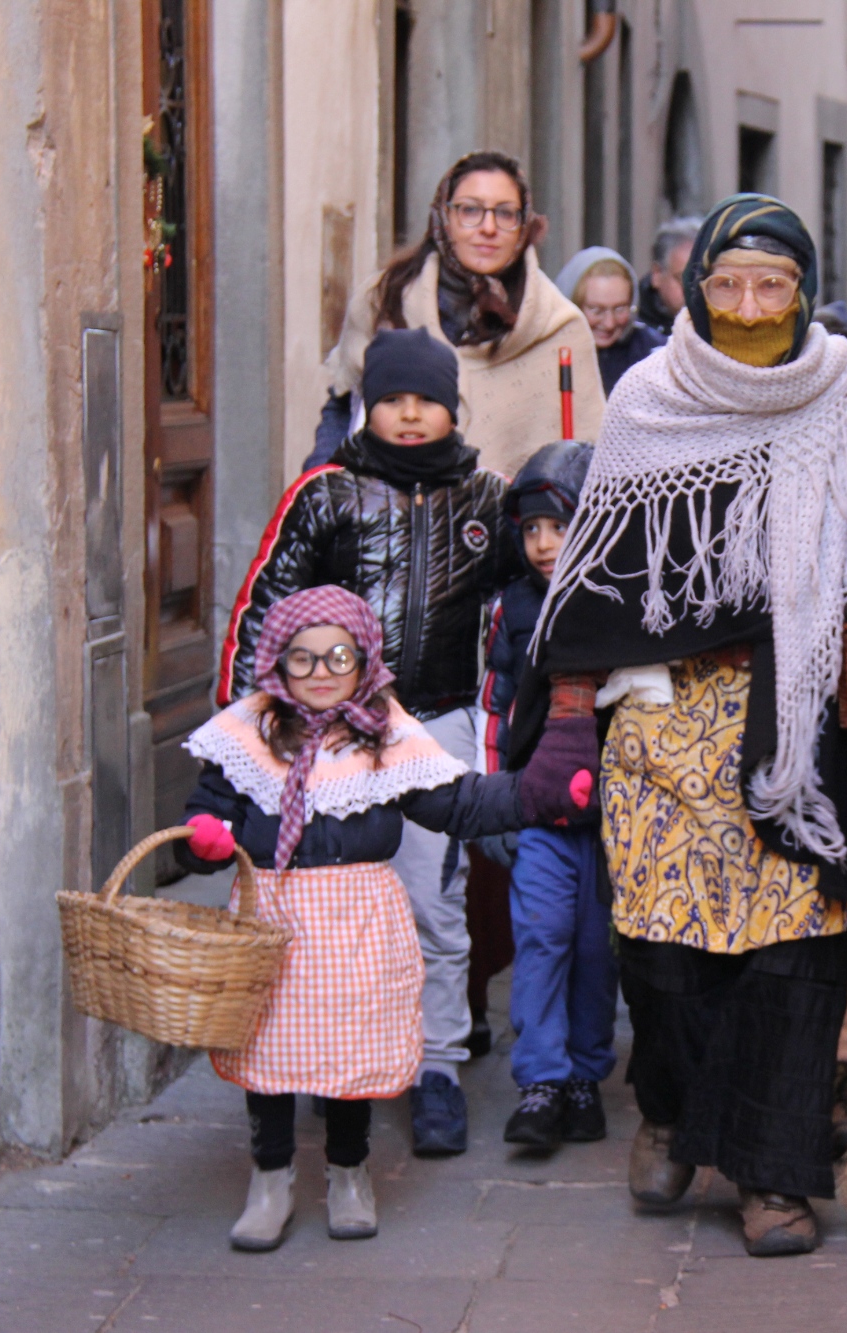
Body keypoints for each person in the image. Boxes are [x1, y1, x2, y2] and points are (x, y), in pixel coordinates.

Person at [527, 194, 847, 1257]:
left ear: (804, 289)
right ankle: (669, 1111)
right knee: (663, 955)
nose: (751, 304)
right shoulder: (648, 398)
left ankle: (771, 1176)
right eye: (729, 284)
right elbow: (601, 579)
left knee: (795, 960)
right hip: (664, 727)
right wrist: (570, 723)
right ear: (694, 288)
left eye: (773, 284)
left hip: (799, 726)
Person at [176, 586, 596, 1251]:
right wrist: (201, 835)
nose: (319, 672)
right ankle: (271, 1178)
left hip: (356, 919)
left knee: (348, 1052)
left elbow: (460, 804)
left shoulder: (384, 733)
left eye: (336, 656)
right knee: (265, 1048)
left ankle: (349, 1173)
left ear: (363, 659)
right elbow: (209, 810)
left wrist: (539, 792)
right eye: (302, 658)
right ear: (278, 662)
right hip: (268, 917)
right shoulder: (246, 731)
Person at [221, 327, 509, 1159]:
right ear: (368, 405)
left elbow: (524, 603)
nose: (410, 414)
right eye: (392, 399)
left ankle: (439, 1067)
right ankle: (323, 1050)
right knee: (323, 901)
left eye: (426, 399)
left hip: (439, 721)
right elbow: (267, 605)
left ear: (451, 405)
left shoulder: (486, 498)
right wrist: (250, 728)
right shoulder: (328, 495)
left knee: (432, 900)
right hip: (334, 724)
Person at [478, 440, 619, 1150]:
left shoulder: (623, 598)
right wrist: (500, 799)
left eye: (558, 527)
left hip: (611, 820)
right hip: (537, 811)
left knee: (597, 949)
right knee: (541, 938)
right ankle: (540, 1080)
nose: (542, 544)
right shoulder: (512, 608)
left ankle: (586, 1074)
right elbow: (496, 707)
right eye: (530, 529)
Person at [316, 151, 605, 477]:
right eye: (470, 210)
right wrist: (318, 490)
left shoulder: (560, 328)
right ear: (444, 217)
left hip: (513, 524)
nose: (488, 227)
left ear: (523, 225)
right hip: (391, 519)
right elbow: (343, 405)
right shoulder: (384, 300)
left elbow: (589, 460)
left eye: (506, 214)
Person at [554, 247, 666, 395]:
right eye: (596, 310)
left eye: (620, 309)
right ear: (572, 305)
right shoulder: (548, 354)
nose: (609, 323)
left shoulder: (655, 354)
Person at [636, 214, 702, 331]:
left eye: (702, 279)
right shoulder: (630, 330)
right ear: (657, 274)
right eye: (684, 280)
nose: (694, 291)